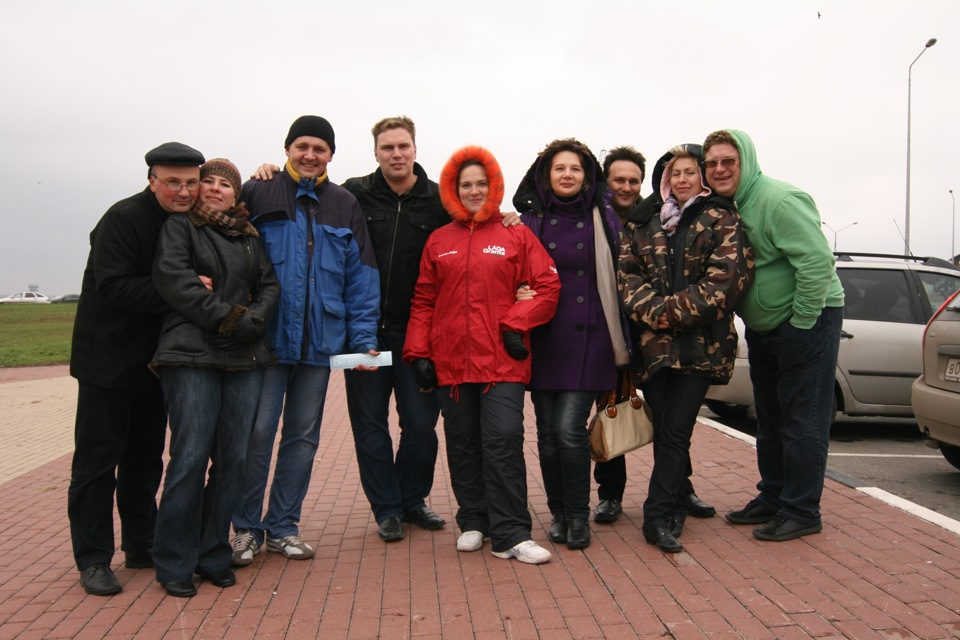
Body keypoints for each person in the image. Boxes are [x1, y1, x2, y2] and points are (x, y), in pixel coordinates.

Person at [231, 116, 380, 566]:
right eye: (302, 146)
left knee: (302, 438)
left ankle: (283, 527)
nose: (310, 155)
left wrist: (363, 339)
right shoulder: (259, 191)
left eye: (319, 148)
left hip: (320, 343)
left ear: (331, 154)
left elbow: (361, 277)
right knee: (257, 434)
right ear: (287, 149)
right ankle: (246, 529)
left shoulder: (345, 203)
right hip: (267, 341)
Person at [403, 146, 560, 563]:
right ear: (454, 190)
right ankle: (474, 520)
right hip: (451, 363)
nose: (474, 191)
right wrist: (418, 352)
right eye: (465, 185)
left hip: (502, 361)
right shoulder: (439, 240)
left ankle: (512, 532)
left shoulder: (516, 234)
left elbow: (547, 287)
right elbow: (424, 299)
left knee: (503, 439)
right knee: (463, 443)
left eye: (481, 184)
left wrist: (516, 323)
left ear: (493, 187)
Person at [68, 142, 205, 596]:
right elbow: (114, 286)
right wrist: (183, 290)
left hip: (154, 363)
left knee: (145, 461)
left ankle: (141, 544)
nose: (183, 191)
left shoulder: (187, 222)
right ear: (152, 180)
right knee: (97, 464)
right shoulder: (123, 219)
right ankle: (93, 559)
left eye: (191, 182)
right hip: (107, 362)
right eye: (172, 182)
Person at [702, 129, 844, 542]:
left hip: (806, 321)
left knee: (802, 420)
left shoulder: (779, 199)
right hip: (765, 328)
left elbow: (817, 262)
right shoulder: (729, 205)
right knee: (770, 417)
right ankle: (774, 495)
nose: (719, 169)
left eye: (728, 161)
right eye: (712, 163)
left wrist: (802, 322)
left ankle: (801, 510)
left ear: (745, 160)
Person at [149, 159, 280, 597]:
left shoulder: (249, 237)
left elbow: (269, 286)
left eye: (225, 184)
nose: (215, 188)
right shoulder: (180, 227)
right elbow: (177, 282)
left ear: (235, 194)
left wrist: (253, 320)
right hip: (190, 354)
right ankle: (174, 560)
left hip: (244, 356)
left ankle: (213, 553)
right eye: (208, 181)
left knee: (232, 460)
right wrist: (231, 319)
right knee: (189, 456)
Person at [619, 144, 753, 553]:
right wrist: (653, 312)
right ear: (665, 179)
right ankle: (676, 502)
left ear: (702, 178)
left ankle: (656, 516)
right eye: (674, 173)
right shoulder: (644, 222)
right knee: (665, 431)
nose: (681, 179)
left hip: (701, 347)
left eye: (690, 172)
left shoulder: (723, 218)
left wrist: (669, 313)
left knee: (676, 431)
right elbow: (627, 275)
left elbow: (726, 280)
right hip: (654, 347)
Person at [513, 138, 631, 551]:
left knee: (568, 430)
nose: (567, 175)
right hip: (543, 339)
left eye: (575, 169)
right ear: (546, 175)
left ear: (587, 176)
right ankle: (559, 514)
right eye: (559, 168)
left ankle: (579, 516)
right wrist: (518, 290)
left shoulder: (605, 217)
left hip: (591, 338)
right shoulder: (528, 220)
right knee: (547, 436)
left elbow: (624, 270)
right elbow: (510, 272)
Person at [341, 117, 450, 541]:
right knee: (369, 426)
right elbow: (306, 201)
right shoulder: (353, 194)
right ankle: (386, 508)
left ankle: (412, 499)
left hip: (418, 333)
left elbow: (477, 225)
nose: (396, 154)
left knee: (421, 426)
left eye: (403, 146)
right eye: (387, 147)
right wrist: (269, 176)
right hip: (361, 331)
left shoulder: (439, 201)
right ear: (376, 153)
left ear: (415, 149)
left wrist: (511, 219)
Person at [596, 147, 717, 524]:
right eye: (618, 180)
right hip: (612, 329)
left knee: (671, 420)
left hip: (654, 331)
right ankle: (610, 494)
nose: (626, 187)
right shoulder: (595, 216)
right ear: (606, 182)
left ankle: (681, 488)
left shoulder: (654, 213)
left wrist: (662, 312)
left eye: (633, 180)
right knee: (612, 408)